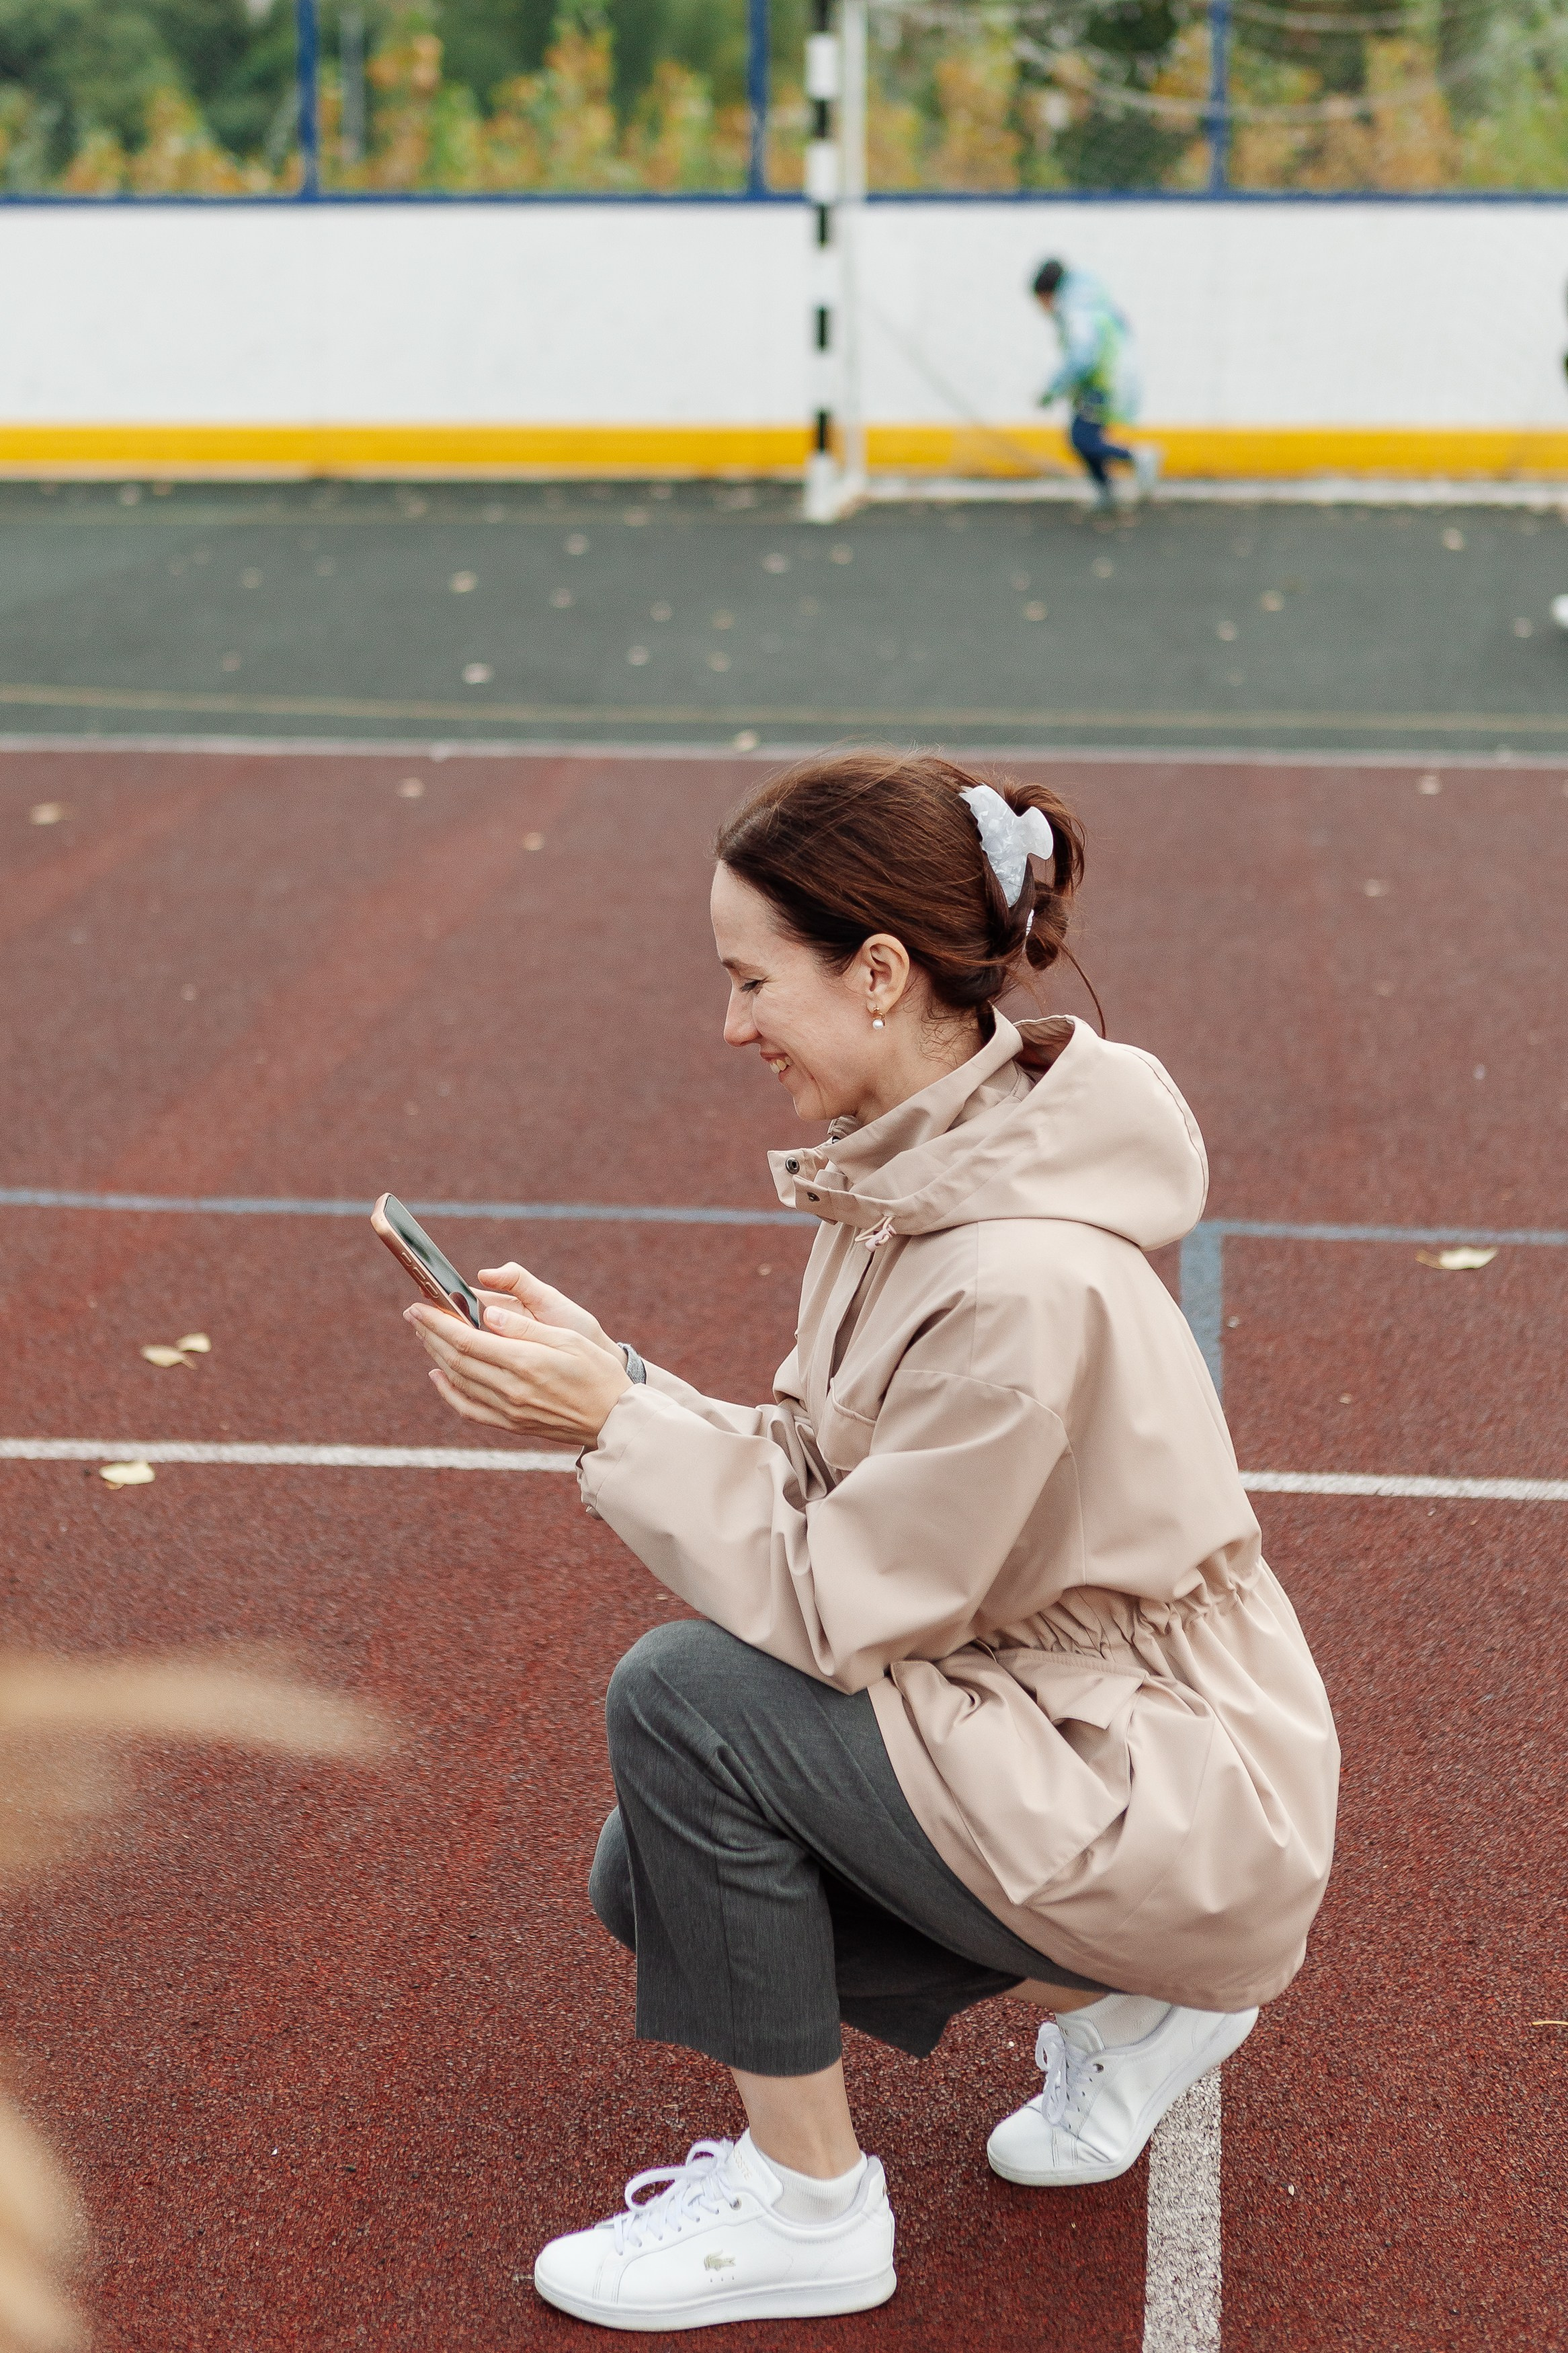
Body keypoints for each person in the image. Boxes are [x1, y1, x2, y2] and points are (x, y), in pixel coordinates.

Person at [401, 750, 1339, 2334]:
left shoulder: (1010, 1277)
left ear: (883, 974)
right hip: (1063, 1731)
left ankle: (810, 2211)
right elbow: (820, 1481)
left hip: (1165, 1789)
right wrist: (617, 1379)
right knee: (660, 1883)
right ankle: (1126, 2007)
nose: (731, 1025)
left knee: (685, 1700)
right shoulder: (915, 1188)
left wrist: (606, 1432)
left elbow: (839, 1603)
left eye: (752, 979)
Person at [1033, 257, 1161, 509]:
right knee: (1083, 437)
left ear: (1048, 294)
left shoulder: (1075, 310)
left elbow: (1083, 356)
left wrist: (1054, 389)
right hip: (1106, 379)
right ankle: (1107, 491)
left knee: (1082, 438)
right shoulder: (1088, 301)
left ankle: (1137, 458)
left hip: (1102, 383)